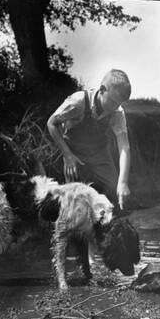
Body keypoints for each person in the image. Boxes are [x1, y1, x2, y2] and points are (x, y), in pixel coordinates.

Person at [47, 68, 132, 212]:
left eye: (118, 104)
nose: (114, 107)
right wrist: (67, 155)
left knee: (113, 190)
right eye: (112, 101)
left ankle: (103, 221)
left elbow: (124, 147)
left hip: (99, 153)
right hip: (75, 153)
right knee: (76, 197)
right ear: (102, 89)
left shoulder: (117, 112)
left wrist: (123, 182)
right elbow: (51, 123)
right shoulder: (78, 101)